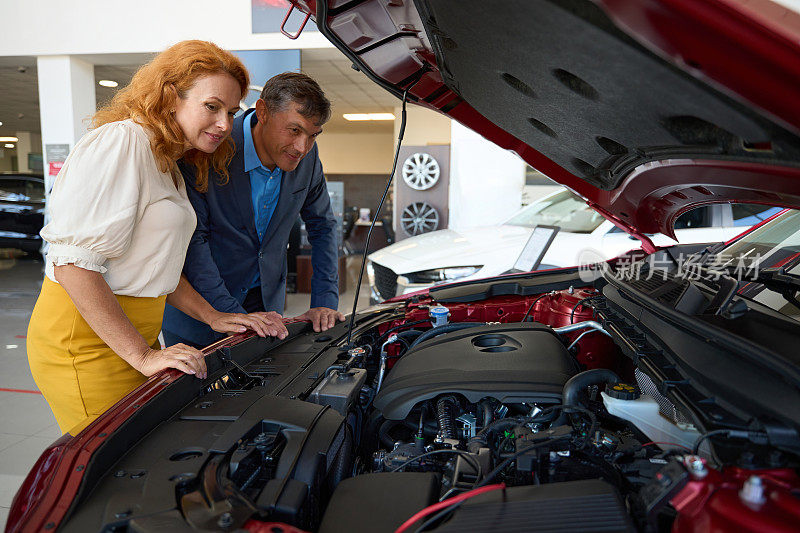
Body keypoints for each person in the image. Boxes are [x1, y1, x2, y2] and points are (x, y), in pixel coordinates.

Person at [27, 40, 285, 435]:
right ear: (169, 98)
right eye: (212, 106)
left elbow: (154, 269)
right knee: (113, 467)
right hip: (85, 344)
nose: (224, 124)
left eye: (231, 112)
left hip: (129, 337)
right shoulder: (123, 141)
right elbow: (73, 265)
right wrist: (143, 355)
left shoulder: (167, 162)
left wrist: (213, 317)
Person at [162, 72, 345, 348]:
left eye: (313, 135)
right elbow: (194, 240)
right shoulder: (211, 145)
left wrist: (324, 303)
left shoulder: (307, 158)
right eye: (294, 130)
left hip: (265, 305)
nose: (302, 147)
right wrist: (230, 314)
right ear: (263, 112)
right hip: (199, 311)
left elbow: (323, 226)